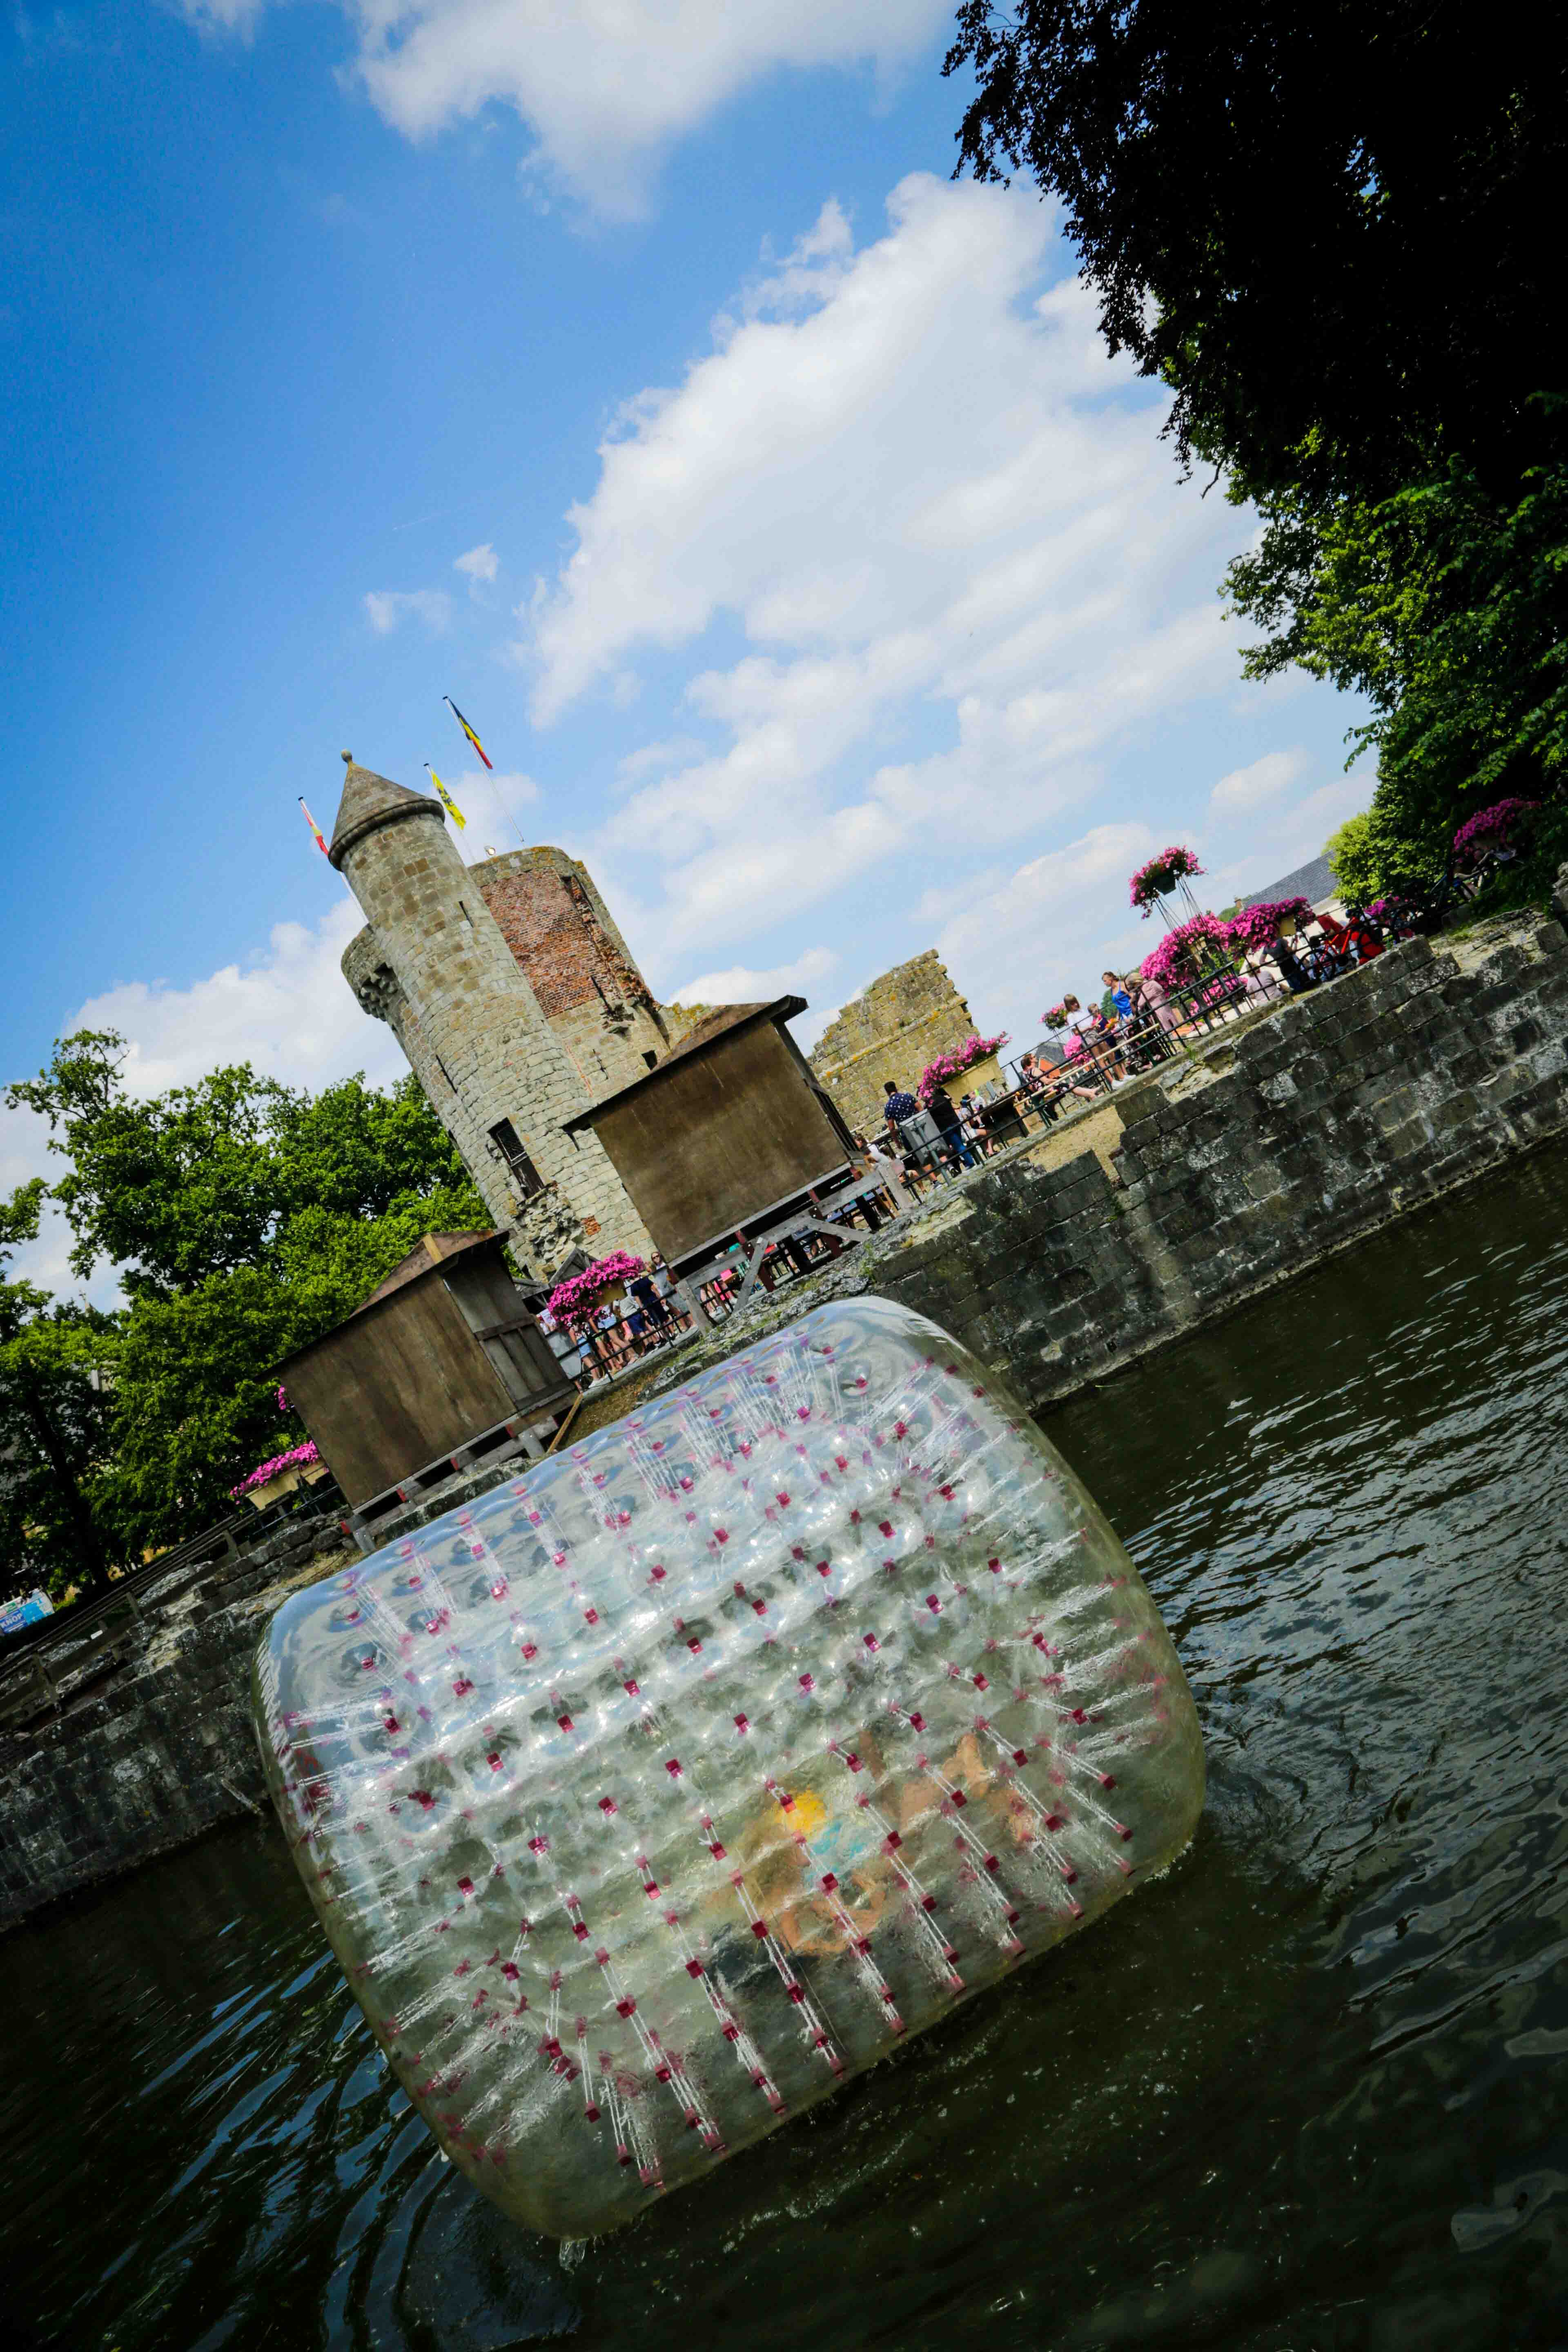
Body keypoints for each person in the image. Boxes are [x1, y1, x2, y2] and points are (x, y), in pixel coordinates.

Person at [926, 1082, 977, 1170]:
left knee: (958, 1146)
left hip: (947, 1127)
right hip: (955, 1123)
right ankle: (969, 1163)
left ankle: (970, 1163)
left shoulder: (929, 1105)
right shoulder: (943, 1098)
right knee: (960, 1144)